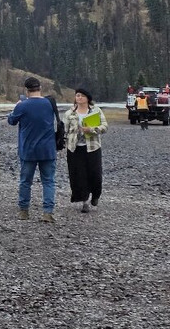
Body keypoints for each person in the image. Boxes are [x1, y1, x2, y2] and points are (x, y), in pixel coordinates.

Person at [7, 76, 57, 222]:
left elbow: (11, 121)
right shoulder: (49, 104)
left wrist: (17, 106)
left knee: (25, 181)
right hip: (48, 149)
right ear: (40, 88)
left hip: (28, 149)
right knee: (48, 181)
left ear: (27, 90)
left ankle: (24, 211)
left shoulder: (22, 105)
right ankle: (47, 212)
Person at [63, 87, 107, 213]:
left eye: (82, 95)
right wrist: (64, 145)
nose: (79, 98)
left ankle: (96, 195)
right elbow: (64, 131)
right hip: (75, 149)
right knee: (79, 175)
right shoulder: (69, 113)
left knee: (95, 174)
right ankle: (85, 201)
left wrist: (92, 129)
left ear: (88, 98)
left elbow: (105, 126)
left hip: (93, 148)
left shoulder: (96, 111)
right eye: (77, 95)